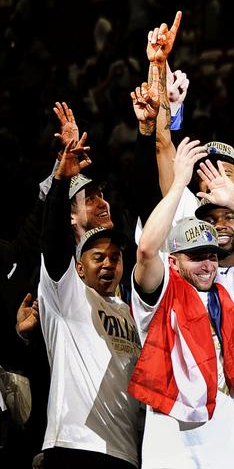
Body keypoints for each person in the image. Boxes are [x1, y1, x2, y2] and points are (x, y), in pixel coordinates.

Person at [129, 138, 234, 468]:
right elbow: (146, 249)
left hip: (228, 441)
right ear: (173, 261)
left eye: (212, 256)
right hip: (171, 446)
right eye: (196, 257)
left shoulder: (233, 287)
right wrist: (178, 185)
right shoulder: (161, 292)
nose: (208, 264)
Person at [37, 133, 143, 469]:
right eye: (98, 257)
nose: (109, 263)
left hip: (125, 452)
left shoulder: (130, 311)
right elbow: (52, 242)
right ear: (79, 268)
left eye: (115, 257)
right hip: (75, 446)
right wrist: (61, 178)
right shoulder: (67, 295)